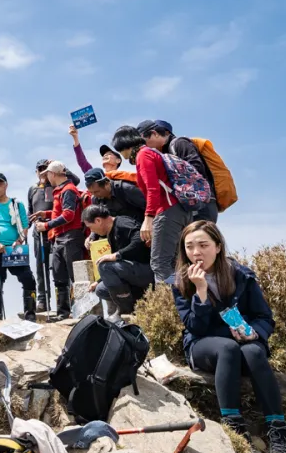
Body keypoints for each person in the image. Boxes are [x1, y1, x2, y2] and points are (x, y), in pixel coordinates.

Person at [170, 221, 286, 453]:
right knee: (227, 348)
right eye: (190, 247)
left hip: (243, 344)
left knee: (254, 351)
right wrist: (201, 291)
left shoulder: (241, 276)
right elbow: (195, 327)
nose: (196, 252)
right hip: (203, 345)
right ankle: (236, 431)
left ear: (218, 247)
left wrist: (254, 334)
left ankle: (279, 433)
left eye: (203, 245)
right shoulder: (181, 281)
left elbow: (264, 317)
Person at [112, 124, 191, 284]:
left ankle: (167, 305)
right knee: (177, 261)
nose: (121, 154)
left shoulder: (143, 155)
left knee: (159, 263)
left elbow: (153, 189)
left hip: (168, 210)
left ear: (126, 144)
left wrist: (148, 220)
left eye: (120, 149)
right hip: (178, 210)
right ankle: (185, 301)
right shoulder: (152, 153)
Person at [0, 173, 37, 321]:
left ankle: (30, 317)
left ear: (6, 185)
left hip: (14, 249)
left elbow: (24, 225)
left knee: (28, 279)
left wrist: (19, 240)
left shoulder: (17, 204)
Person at [33, 161, 86, 320]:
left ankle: (81, 312)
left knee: (75, 278)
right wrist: (47, 213)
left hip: (71, 237)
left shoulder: (68, 190)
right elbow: (62, 212)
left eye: (47, 174)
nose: (46, 177)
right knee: (59, 276)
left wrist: (47, 225)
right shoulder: (61, 190)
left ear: (53, 174)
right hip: (60, 238)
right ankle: (63, 313)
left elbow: (69, 215)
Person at [139, 120, 218, 223]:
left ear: (159, 133)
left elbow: (197, 168)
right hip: (190, 202)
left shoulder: (179, 143)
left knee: (201, 236)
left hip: (201, 201)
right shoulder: (165, 153)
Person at [81, 204, 152, 317]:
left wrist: (117, 255)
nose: (91, 231)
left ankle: (126, 312)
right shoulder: (110, 233)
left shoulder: (122, 223)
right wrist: (98, 282)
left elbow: (140, 239)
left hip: (146, 270)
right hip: (132, 272)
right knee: (100, 289)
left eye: (90, 227)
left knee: (104, 266)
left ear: (98, 220)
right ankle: (134, 306)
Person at [27, 160, 55, 313]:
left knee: (58, 268)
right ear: (36, 171)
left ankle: (66, 302)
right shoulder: (32, 189)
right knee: (40, 268)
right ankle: (43, 301)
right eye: (40, 169)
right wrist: (23, 230)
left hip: (54, 232)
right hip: (38, 233)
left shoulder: (56, 186)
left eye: (46, 169)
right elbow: (30, 212)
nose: (43, 172)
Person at [70, 125, 139, 184]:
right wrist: (75, 138)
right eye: (103, 155)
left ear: (118, 160)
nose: (105, 156)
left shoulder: (125, 178)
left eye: (109, 154)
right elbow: (82, 162)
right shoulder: (96, 176)